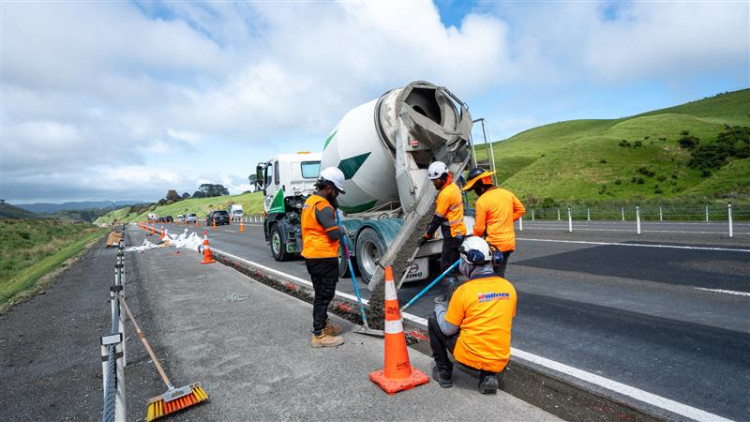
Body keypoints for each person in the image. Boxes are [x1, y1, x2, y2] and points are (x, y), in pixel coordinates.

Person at [428, 236, 517, 394]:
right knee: (489, 325)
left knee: (435, 320)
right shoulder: (509, 288)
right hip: (499, 359)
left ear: (466, 263)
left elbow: (448, 329)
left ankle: (444, 373)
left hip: (468, 358)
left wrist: (439, 308)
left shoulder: (464, 291)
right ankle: (488, 375)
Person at [301, 167, 347, 348]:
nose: (337, 194)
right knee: (324, 294)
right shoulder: (323, 206)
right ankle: (319, 334)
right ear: (328, 188)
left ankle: (324, 326)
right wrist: (342, 229)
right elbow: (334, 234)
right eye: (336, 191)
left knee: (321, 292)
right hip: (323, 256)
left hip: (313, 255)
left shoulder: (310, 201)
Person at [462, 167, 525, 277]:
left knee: (490, 275)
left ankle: (497, 293)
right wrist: (504, 221)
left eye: (475, 188)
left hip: (494, 245)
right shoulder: (507, 194)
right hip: (508, 243)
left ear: (480, 186)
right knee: (500, 273)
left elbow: (480, 228)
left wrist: (473, 243)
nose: (475, 192)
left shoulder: (482, 201)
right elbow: (521, 210)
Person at [424, 161, 466, 274]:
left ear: (443, 178)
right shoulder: (454, 187)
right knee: (455, 264)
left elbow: (438, 218)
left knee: (446, 268)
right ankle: (455, 286)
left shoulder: (445, 194)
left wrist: (427, 235)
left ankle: (451, 289)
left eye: (435, 180)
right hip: (459, 231)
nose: (433, 183)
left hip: (451, 233)